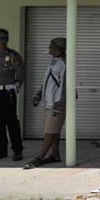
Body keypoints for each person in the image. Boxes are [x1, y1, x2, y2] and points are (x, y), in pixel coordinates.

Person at [24, 37, 67, 169]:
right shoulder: (54, 62)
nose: (49, 48)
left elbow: (64, 86)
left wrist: (58, 105)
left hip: (56, 104)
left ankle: (39, 158)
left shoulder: (63, 64)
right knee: (54, 131)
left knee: (50, 131)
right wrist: (38, 94)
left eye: (51, 46)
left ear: (58, 49)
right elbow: (49, 82)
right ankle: (55, 155)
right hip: (49, 102)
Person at [0, 28, 25, 161]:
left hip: (8, 92)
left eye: (4, 38)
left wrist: (16, 87)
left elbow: (20, 74)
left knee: (11, 122)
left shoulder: (13, 55)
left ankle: (17, 151)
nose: (2, 41)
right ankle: (1, 151)